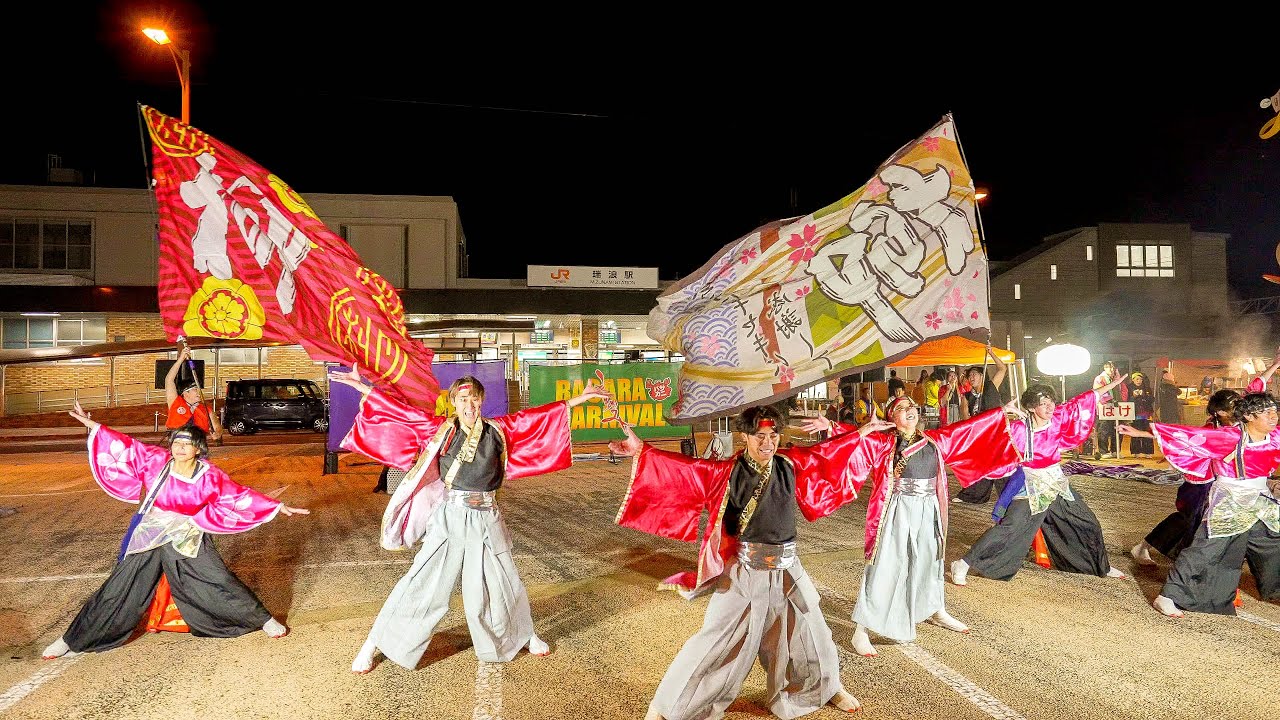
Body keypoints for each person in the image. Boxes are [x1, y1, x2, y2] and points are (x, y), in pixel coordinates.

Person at [333, 367, 609, 673]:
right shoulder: (440, 429)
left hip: (488, 515)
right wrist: (363, 388)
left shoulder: (498, 429)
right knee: (423, 584)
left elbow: (535, 417)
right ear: (453, 402)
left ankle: (524, 634)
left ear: (482, 401)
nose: (470, 406)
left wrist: (579, 400)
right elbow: (400, 411)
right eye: (463, 399)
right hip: (451, 515)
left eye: (475, 399)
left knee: (504, 582)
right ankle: (375, 642)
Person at [610, 405, 862, 720]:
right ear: (744, 436)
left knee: (811, 630)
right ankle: (667, 706)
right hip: (746, 570)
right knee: (718, 640)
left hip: (789, 568)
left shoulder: (787, 463)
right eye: (760, 436)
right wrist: (643, 450)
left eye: (773, 436)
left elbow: (828, 454)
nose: (767, 443)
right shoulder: (726, 472)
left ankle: (823, 688)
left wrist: (857, 431)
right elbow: (686, 470)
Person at [41, 401, 308, 660]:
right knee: (119, 585)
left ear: (198, 449)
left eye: (187, 443)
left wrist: (276, 507)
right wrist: (93, 425)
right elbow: (125, 446)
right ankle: (70, 639)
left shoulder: (209, 475)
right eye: (176, 442)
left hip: (187, 532)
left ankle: (264, 620)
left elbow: (238, 496)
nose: (180, 447)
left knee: (217, 578)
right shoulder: (155, 460)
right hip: (152, 530)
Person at [802, 396, 1019, 656]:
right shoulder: (884, 442)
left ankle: (935, 609)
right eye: (901, 409)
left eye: (912, 408)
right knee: (886, 565)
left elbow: (967, 429)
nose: (909, 412)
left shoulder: (934, 440)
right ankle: (861, 630)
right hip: (897, 508)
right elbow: (857, 439)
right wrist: (832, 427)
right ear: (892, 417)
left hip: (929, 507)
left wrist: (1000, 412)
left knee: (931, 559)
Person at [950, 375, 1129, 587]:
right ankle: (963, 563)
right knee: (1012, 526)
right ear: (1033, 407)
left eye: (1050, 401)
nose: (1050, 406)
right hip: (1030, 483)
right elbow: (982, 433)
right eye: (1043, 403)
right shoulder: (1018, 429)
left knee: (1087, 521)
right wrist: (1001, 413)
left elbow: (1083, 400)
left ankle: (1099, 566)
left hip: (1055, 481)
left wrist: (1111, 386)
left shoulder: (1058, 418)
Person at [1120, 391, 1280, 617]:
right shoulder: (1228, 437)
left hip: (1259, 502)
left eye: (1275, 411)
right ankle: (1168, 596)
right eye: (1266, 412)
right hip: (1230, 501)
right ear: (1249, 416)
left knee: (1274, 541)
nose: (1273, 416)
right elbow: (1185, 437)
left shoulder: (1275, 436)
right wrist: (1141, 433)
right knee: (1205, 550)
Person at [1131, 388, 1240, 565]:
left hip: (1226, 482)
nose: (1239, 407)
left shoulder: (1240, 424)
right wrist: (1142, 433)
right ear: (1220, 411)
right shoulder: (1212, 429)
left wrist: (1274, 366)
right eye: (1234, 405)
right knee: (1188, 518)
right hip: (1202, 481)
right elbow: (1182, 436)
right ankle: (1144, 546)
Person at [953, 348, 1012, 504]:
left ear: (982, 375)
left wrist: (991, 352)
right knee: (980, 465)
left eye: (974, 374)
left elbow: (1002, 368)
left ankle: (1009, 495)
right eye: (969, 375)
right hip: (981, 435)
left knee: (1000, 465)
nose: (971, 377)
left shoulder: (991, 386)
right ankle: (974, 495)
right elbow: (965, 417)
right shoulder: (966, 397)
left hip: (997, 433)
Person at [164, 343, 223, 440]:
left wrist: (217, 433)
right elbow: (169, 380)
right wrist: (181, 359)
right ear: (185, 393)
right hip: (178, 440)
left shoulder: (206, 409)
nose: (198, 392)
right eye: (195, 390)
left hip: (197, 442)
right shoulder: (175, 403)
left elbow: (218, 427)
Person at [1091, 361, 1121, 458]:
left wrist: (1121, 400)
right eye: (1109, 368)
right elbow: (1099, 391)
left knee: (1117, 428)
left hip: (1116, 407)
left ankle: (1115, 450)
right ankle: (1103, 451)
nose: (1111, 370)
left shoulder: (1116, 378)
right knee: (1104, 429)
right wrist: (1110, 400)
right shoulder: (1100, 378)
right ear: (1105, 368)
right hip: (1105, 407)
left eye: (1113, 368)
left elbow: (1122, 390)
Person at [1126, 372, 1156, 457]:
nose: (1139, 381)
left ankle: (1148, 452)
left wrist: (1144, 395)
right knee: (1135, 431)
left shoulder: (1146, 388)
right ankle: (1136, 451)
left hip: (1146, 413)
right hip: (1135, 413)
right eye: (1137, 379)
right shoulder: (1129, 388)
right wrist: (1133, 396)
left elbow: (1152, 399)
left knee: (1147, 432)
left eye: (1140, 379)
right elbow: (1126, 400)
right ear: (1133, 380)